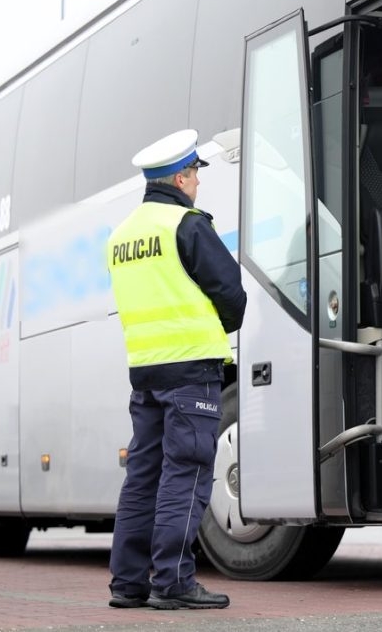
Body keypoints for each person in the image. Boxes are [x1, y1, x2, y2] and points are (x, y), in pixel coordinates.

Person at [106, 129, 246, 610]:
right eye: (195, 176)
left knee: (142, 475)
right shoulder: (186, 225)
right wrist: (221, 324)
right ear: (182, 178)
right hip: (191, 370)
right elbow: (231, 293)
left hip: (145, 371)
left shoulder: (121, 236)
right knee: (185, 473)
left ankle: (127, 582)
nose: (197, 185)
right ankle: (173, 581)